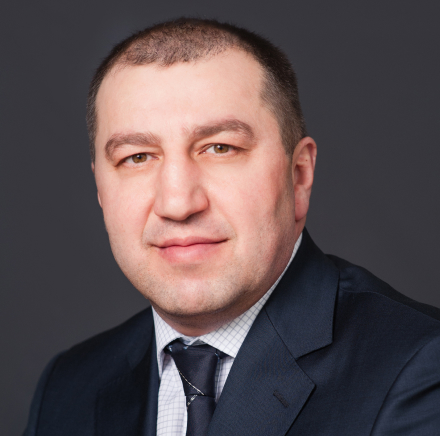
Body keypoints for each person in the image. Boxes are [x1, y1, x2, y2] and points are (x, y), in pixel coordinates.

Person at [24, 18, 440, 436]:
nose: (177, 204)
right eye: (137, 157)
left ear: (299, 175)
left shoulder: (419, 369)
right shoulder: (68, 387)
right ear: (100, 189)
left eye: (220, 148)